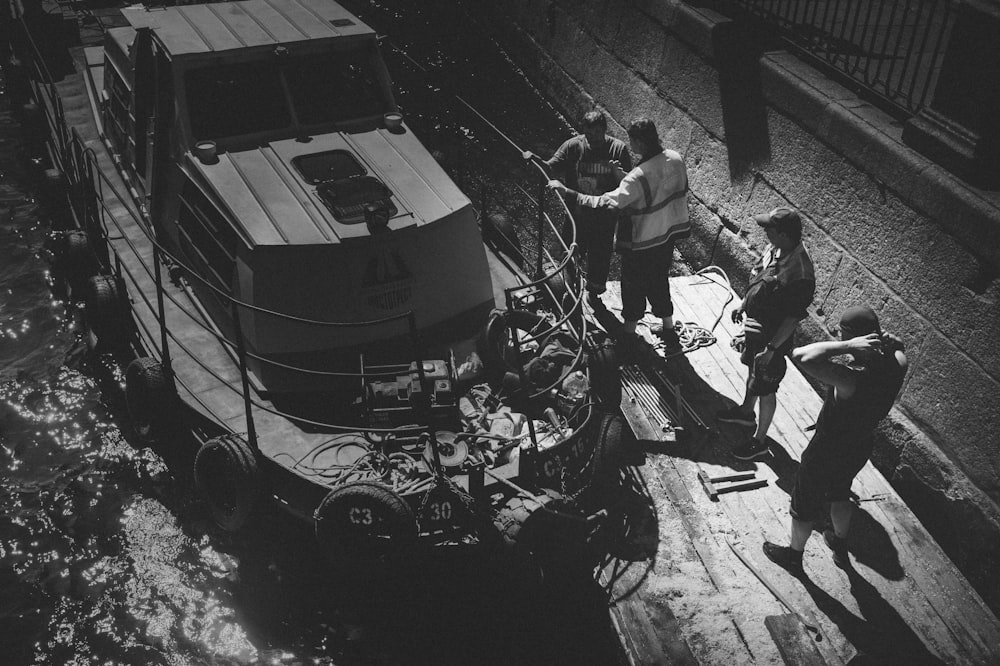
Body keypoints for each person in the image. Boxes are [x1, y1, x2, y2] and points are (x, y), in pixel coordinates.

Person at [763, 306, 908, 573]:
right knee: (841, 492)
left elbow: (801, 355)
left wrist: (845, 345)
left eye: (844, 333)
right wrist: (892, 342)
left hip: (827, 449)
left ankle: (794, 557)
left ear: (853, 336)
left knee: (804, 504)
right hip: (860, 445)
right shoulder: (897, 366)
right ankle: (839, 544)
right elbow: (900, 349)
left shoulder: (851, 379)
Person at [547, 117, 690, 354]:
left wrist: (569, 193)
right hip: (667, 237)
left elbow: (607, 201)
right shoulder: (675, 158)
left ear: (639, 142)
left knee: (633, 288)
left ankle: (628, 334)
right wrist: (621, 175)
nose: (629, 144)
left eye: (632, 140)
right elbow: (657, 190)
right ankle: (668, 327)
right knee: (659, 281)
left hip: (642, 241)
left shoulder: (638, 176)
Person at [717, 207, 815, 460]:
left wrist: (771, 350)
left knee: (766, 387)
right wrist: (744, 304)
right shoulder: (774, 249)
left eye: (769, 229)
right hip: (755, 328)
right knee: (751, 368)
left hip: (772, 339)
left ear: (783, 234)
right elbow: (761, 279)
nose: (764, 232)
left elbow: (793, 318)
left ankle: (759, 441)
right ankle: (746, 413)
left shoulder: (801, 272)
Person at [528, 111, 632, 307]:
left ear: (604, 130)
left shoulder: (618, 150)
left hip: (604, 220)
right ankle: (568, 290)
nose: (592, 138)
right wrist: (536, 161)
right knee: (569, 255)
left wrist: (619, 174)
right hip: (577, 216)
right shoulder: (573, 146)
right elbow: (550, 168)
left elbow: (628, 185)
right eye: (588, 133)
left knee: (599, 261)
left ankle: (593, 294)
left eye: (597, 133)